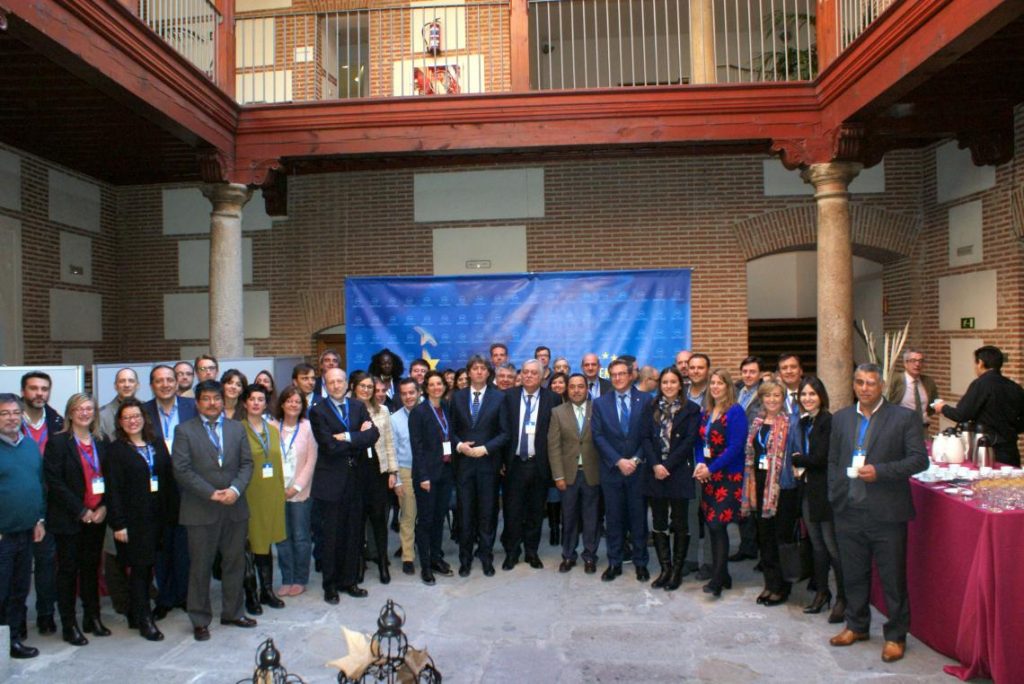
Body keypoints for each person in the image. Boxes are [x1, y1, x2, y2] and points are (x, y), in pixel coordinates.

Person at [828, 363, 928, 663]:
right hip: (849, 510)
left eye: (871, 383)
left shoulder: (903, 418)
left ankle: (896, 635)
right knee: (853, 574)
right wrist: (835, 495)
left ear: (881, 385)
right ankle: (856, 625)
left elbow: (918, 460)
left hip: (887, 513)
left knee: (892, 577)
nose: (865, 388)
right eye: (859, 382)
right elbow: (834, 460)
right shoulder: (842, 418)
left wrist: (881, 471)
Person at [172, 379, 256, 641]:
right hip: (200, 508)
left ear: (223, 401)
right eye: (206, 399)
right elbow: (181, 469)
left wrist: (234, 490)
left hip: (234, 507)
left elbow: (247, 463)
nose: (212, 403)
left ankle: (233, 612)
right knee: (200, 566)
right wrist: (211, 493)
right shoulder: (184, 431)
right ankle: (199, 618)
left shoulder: (236, 429)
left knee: (235, 562)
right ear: (197, 403)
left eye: (216, 399)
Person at [44, 393, 109, 646]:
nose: (84, 413)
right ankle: (69, 624)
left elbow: (109, 478)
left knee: (91, 569)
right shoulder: (58, 443)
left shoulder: (101, 442)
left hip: (97, 516)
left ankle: (92, 618)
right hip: (70, 519)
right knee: (69, 571)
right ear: (70, 413)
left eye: (89, 408)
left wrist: (103, 507)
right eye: (79, 409)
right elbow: (55, 482)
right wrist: (81, 511)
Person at [309, 367, 379, 602]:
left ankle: (350, 581)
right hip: (331, 482)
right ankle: (330, 585)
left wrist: (347, 437)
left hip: (356, 480)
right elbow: (328, 446)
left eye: (340, 381)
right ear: (326, 385)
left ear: (346, 383)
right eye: (332, 382)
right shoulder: (318, 411)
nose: (336, 385)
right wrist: (357, 437)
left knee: (353, 534)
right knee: (331, 537)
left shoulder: (358, 406)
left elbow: (373, 435)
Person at [105, 398, 172, 641]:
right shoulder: (115, 450)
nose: (133, 421)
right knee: (140, 569)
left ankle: (137, 613)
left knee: (148, 566)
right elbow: (112, 490)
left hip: (157, 517)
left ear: (144, 418)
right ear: (120, 423)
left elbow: (167, 478)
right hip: (133, 521)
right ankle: (145, 619)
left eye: (136, 416)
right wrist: (119, 523)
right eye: (127, 418)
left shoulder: (156, 443)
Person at [790, 377, 844, 622]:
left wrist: (797, 459)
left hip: (825, 494)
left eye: (812, 394)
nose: (807, 398)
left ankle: (843, 598)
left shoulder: (827, 422)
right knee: (817, 546)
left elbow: (820, 458)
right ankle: (822, 592)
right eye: (803, 394)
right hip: (807, 492)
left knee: (833, 548)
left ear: (821, 396)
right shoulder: (803, 422)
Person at [740, 380, 799, 606]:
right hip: (758, 484)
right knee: (764, 538)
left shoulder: (790, 423)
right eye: (768, 396)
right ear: (761, 399)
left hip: (781, 487)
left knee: (780, 538)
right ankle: (770, 583)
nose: (772, 400)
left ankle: (783, 587)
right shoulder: (756, 423)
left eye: (776, 396)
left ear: (782, 398)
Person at [143, 364, 196, 620]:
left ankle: (185, 595)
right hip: (156, 489)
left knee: (185, 545)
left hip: (187, 487)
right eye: (159, 381)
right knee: (162, 546)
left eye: (169, 380)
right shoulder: (142, 411)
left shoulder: (191, 407)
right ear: (152, 385)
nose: (165, 384)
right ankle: (165, 597)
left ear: (177, 383)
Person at [641, 366, 700, 591]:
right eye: (664, 382)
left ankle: (677, 570)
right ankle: (665, 569)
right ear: (659, 384)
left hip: (679, 472)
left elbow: (689, 441)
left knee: (680, 522)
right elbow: (644, 437)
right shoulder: (650, 406)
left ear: (680, 384)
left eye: (672, 382)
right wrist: (656, 464)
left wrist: (667, 465)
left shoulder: (691, 409)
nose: (668, 386)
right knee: (658, 522)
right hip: (655, 472)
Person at [450, 354, 509, 577]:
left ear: (488, 372)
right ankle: (465, 559)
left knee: (488, 514)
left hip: (488, 464)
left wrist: (485, 449)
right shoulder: (457, 397)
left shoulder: (499, 398)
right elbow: (450, 429)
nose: (478, 372)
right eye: (474, 368)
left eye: (483, 369)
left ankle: (486, 557)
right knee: (465, 514)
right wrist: (459, 445)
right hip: (464, 465)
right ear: (468, 372)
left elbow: (505, 433)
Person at [591, 358, 649, 581]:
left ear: (631, 375)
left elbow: (648, 436)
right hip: (612, 471)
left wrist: (635, 460)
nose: (617, 378)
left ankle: (641, 562)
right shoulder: (600, 403)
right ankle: (614, 562)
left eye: (622, 374)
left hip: (638, 470)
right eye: (613, 374)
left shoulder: (645, 400)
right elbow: (597, 436)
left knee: (638, 519)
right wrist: (618, 461)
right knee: (613, 520)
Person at [0, 393, 47, 659]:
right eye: (4, 413)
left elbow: (38, 485)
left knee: (19, 590)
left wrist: (39, 519)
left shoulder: (29, 446)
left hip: (26, 531)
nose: (11, 418)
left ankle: (13, 639)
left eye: (15, 413)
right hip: (2, 535)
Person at [501, 359, 559, 570]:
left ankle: (531, 552)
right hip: (514, 464)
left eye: (533, 373)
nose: (528, 376)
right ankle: (512, 552)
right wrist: (501, 461)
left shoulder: (553, 398)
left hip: (539, 465)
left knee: (535, 511)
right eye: (525, 372)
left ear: (543, 375)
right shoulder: (509, 397)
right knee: (512, 511)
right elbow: (502, 431)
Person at [694, 369, 747, 597]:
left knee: (717, 525)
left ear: (728, 387)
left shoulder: (736, 412)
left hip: (728, 477)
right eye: (713, 383)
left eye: (720, 383)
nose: (715, 387)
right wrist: (699, 464)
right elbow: (698, 442)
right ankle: (723, 574)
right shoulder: (706, 412)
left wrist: (710, 467)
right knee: (713, 527)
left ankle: (717, 578)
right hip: (708, 477)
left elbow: (735, 448)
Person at [19, 371, 62, 637]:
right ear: (23, 391)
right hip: (18, 504)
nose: (39, 394)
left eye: (44, 389)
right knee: (19, 567)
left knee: (47, 563)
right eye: (34, 388)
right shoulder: (9, 421)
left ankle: (46, 614)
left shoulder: (57, 421)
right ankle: (17, 617)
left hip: (50, 504)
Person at [934, 345, 1024, 467]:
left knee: (986, 485)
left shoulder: (981, 384)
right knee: (1009, 485)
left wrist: (942, 408)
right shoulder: (1014, 387)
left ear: (980, 363)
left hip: (987, 449)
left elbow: (962, 415)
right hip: (1010, 450)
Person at [239, 384, 286, 614]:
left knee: (266, 544)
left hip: (271, 495)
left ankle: (267, 591)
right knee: (250, 545)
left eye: (261, 399)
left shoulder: (273, 430)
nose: (256, 403)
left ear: (266, 404)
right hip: (249, 494)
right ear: (245, 403)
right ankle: (251, 594)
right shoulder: (237, 430)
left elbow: (277, 464)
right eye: (252, 399)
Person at [547, 374, 601, 574]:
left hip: (592, 473)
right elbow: (553, 447)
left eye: (581, 386)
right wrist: (558, 476)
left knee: (591, 518)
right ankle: (568, 556)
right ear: (567, 389)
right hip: (568, 475)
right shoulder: (557, 412)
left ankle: (590, 556)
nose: (576, 390)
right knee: (568, 518)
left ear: (587, 389)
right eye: (572, 387)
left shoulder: (598, 409)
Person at [350, 371, 398, 584]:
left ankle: (382, 562)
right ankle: (359, 565)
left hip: (378, 471)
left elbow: (389, 442)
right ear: (354, 387)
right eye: (363, 386)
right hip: (354, 472)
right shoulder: (346, 410)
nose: (367, 390)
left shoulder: (383, 410)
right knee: (358, 521)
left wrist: (393, 471)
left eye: (370, 387)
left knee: (379, 519)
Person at [409, 370, 455, 585]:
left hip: (445, 472)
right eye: (432, 384)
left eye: (440, 384)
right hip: (426, 475)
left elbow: (449, 436)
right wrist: (423, 475)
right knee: (426, 521)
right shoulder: (418, 412)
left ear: (444, 387)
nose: (437, 387)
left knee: (439, 519)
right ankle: (425, 565)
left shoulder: (446, 407)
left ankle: (437, 557)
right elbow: (417, 448)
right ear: (426, 388)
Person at [272, 385, 316, 596]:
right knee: (282, 538)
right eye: (289, 400)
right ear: (282, 404)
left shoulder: (307, 427)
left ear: (302, 405)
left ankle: (300, 578)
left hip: (300, 493)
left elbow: (311, 460)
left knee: (300, 537)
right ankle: (286, 578)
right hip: (276, 492)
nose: (293, 404)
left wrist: (296, 487)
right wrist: (277, 489)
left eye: (297, 401)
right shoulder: (271, 426)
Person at [390, 379, 420, 576]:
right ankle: (408, 556)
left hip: (427, 471)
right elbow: (391, 450)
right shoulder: (394, 419)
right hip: (406, 471)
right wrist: (397, 479)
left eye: (412, 392)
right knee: (408, 516)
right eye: (404, 393)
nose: (408, 396)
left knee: (427, 516)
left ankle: (430, 552)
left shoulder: (428, 412)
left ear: (418, 392)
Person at [886, 349, 938, 437]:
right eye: (913, 361)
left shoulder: (928, 382)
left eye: (920, 361)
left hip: (922, 429)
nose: (917, 364)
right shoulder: (895, 380)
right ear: (905, 364)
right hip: (900, 429)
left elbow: (933, 405)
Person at [99, 368, 139, 439]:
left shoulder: (147, 409)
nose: (127, 385)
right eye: (122, 381)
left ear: (137, 385)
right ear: (115, 386)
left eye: (131, 381)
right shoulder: (102, 415)